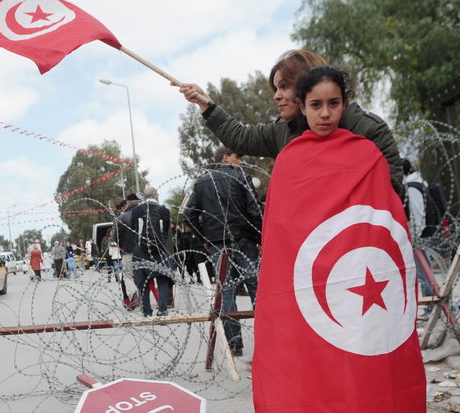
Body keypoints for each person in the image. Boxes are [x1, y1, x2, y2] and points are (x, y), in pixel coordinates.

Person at [253, 65, 425, 411]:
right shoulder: (288, 161)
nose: (326, 113)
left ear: (345, 103)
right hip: (310, 283)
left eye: (334, 103)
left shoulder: (367, 153)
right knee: (316, 363)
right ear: (302, 107)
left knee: (364, 358)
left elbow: (383, 215)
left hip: (363, 271)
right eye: (316, 105)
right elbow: (282, 235)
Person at [177, 49, 405, 199]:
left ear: (310, 82)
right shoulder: (283, 132)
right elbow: (239, 137)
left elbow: (392, 191)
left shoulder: (368, 129)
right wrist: (205, 103)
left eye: (285, 86)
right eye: (276, 88)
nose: (277, 96)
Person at [184, 145, 263, 356]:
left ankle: (235, 344)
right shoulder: (241, 177)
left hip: (218, 243)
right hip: (244, 240)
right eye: (238, 157)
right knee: (256, 287)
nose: (240, 161)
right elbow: (255, 210)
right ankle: (267, 339)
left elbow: (188, 214)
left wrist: (205, 239)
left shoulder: (202, 183)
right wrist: (260, 237)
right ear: (226, 158)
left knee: (226, 291)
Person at [130, 186, 174, 317]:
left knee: (143, 280)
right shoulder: (164, 210)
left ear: (144, 197)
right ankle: (162, 309)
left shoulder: (137, 210)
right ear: (155, 195)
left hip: (141, 249)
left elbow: (134, 229)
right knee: (162, 279)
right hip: (159, 249)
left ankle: (147, 311)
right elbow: (165, 231)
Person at [402, 158, 435, 299]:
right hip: (421, 235)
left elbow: (417, 213)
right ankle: (433, 303)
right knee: (425, 271)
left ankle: (431, 305)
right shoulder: (417, 183)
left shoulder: (411, 186)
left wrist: (413, 238)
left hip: (417, 237)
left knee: (423, 273)